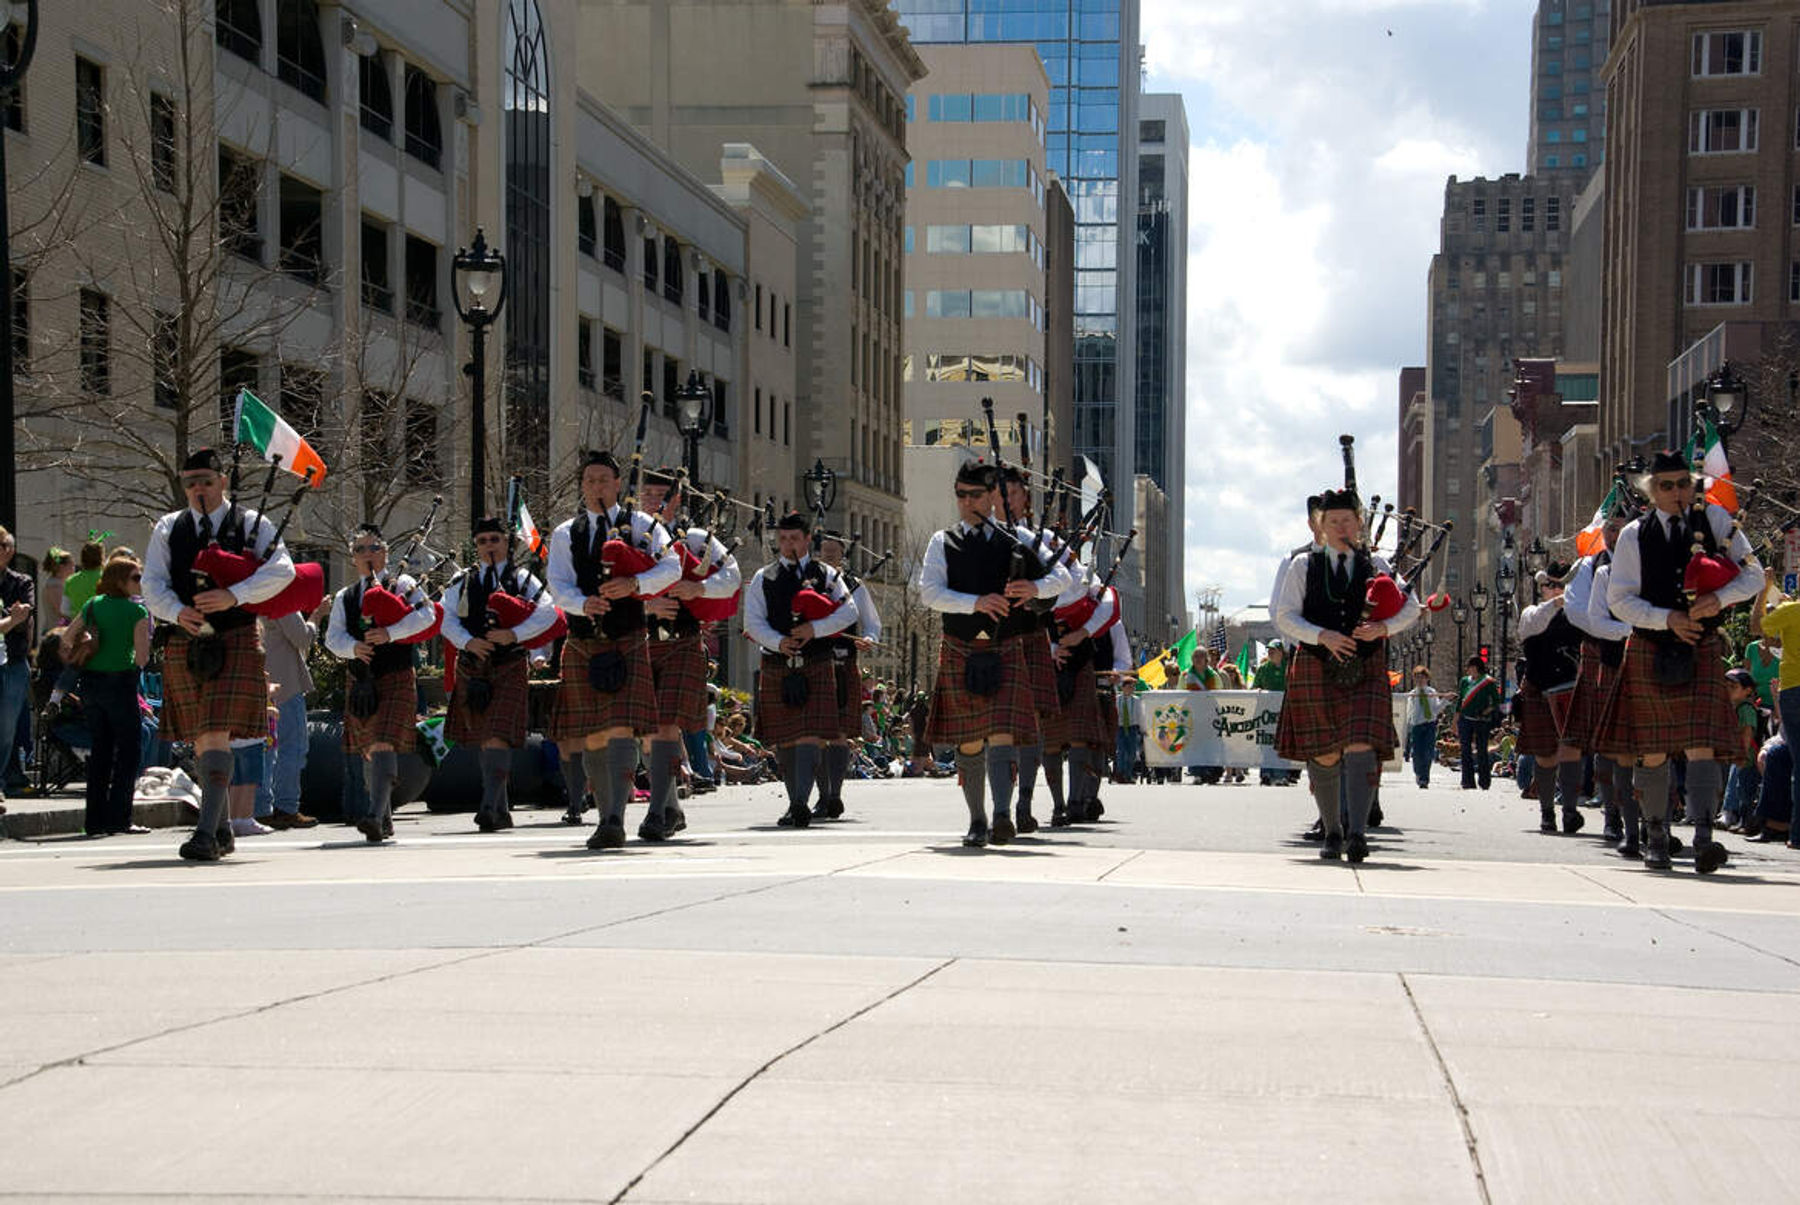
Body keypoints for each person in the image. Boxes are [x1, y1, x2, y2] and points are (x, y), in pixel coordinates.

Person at [1594, 450, 1762, 873]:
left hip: (1701, 645)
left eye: (1683, 483)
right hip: (1652, 644)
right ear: (1651, 491)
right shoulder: (1634, 534)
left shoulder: (1718, 521)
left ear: (1692, 484)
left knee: (1701, 744)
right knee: (1652, 751)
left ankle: (1704, 838)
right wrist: (1667, 619)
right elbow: (1620, 600)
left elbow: (1754, 575)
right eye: (1666, 486)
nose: (1676, 492)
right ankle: (1655, 836)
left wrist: (1717, 599)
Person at [141, 448, 296, 861]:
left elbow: (284, 569)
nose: (198, 490)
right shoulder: (168, 527)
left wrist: (234, 595)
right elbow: (152, 583)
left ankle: (206, 834)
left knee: (213, 732)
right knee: (202, 738)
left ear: (222, 481)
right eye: (190, 483)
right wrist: (178, 611)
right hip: (185, 638)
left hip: (236, 636)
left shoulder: (251, 523)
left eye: (206, 481)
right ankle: (222, 828)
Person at [919, 462, 1065, 846]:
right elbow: (929, 593)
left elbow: (1063, 577)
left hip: (1005, 648)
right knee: (968, 740)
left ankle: (1003, 815)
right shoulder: (942, 541)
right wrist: (976, 603)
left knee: (1002, 734)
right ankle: (977, 820)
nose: (967, 503)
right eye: (961, 495)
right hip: (960, 648)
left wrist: (1035, 588)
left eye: (976, 496)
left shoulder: (1014, 538)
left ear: (991, 498)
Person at [1273, 487, 1420, 862]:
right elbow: (1285, 616)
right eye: (1332, 521)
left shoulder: (1379, 567)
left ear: (1360, 524)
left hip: (1365, 665)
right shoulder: (1303, 566)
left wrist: (1382, 629)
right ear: (1320, 527)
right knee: (1323, 754)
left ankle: (1357, 832)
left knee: (1360, 746)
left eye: (1347, 520)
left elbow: (1412, 607)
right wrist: (1321, 635)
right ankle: (1332, 830)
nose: (1341, 527)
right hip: (1316, 663)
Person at [637, 467, 738, 836]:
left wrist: (699, 589)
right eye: (645, 493)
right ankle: (671, 808)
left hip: (680, 641)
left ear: (675, 499)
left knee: (664, 725)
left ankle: (655, 813)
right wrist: (645, 606)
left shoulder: (694, 538)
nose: (650, 501)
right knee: (647, 732)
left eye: (658, 495)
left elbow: (732, 577)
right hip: (638, 641)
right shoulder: (630, 534)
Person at [441, 514, 557, 834]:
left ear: (507, 543)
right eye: (482, 541)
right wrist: (468, 641)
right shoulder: (462, 582)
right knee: (485, 738)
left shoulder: (524, 580)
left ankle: (489, 806)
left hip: (508, 664)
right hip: (473, 666)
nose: (489, 546)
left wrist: (515, 635)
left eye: (495, 540)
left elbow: (548, 612)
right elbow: (446, 618)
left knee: (496, 735)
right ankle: (500, 807)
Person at [743, 511, 859, 827]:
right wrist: (777, 641)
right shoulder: (763, 577)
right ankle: (796, 802)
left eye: (794, 538)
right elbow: (751, 622)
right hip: (778, 661)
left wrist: (814, 629)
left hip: (816, 662)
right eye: (782, 539)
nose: (788, 544)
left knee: (809, 735)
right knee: (785, 739)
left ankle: (798, 804)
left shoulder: (827, 575)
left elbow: (849, 612)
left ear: (808, 539)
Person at [325, 523, 434, 843]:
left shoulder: (403, 584)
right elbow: (333, 639)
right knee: (370, 751)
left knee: (384, 743)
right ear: (352, 557)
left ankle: (374, 815)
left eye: (373, 548)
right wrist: (353, 648)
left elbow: (426, 616)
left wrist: (391, 633)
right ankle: (383, 817)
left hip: (397, 674)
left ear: (385, 553)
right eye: (360, 549)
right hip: (362, 681)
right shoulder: (346, 597)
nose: (367, 554)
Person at [59, 554, 151, 836]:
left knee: (101, 749)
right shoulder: (138, 612)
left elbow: (66, 637)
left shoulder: (92, 605)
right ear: (121, 581)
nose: (140, 582)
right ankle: (119, 818)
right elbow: (143, 657)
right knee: (129, 751)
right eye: (136, 577)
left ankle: (94, 820)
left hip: (91, 683)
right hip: (121, 681)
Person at [1515, 565, 1586, 834]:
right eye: (1552, 585)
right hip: (1540, 689)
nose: (1557, 590)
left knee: (1571, 752)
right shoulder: (1532, 613)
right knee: (1545, 756)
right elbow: (1534, 625)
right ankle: (1547, 813)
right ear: (1542, 588)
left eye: (1562, 585)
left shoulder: (1577, 614)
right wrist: (1559, 600)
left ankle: (1569, 812)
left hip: (1571, 688)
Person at [815, 529, 880, 821]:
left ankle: (835, 795)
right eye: (825, 551)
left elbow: (871, 623)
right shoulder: (808, 581)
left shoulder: (854, 586)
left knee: (839, 734)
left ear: (842, 554)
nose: (829, 555)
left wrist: (869, 638)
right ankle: (820, 795)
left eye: (834, 551)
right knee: (815, 734)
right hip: (812, 663)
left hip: (843, 664)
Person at [258, 605, 319, 831]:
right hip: (285, 683)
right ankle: (286, 807)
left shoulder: (247, 592)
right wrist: (316, 617)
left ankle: (261, 807)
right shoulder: (280, 597)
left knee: (264, 748)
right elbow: (302, 637)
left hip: (261, 680)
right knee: (291, 747)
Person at [1753, 567, 1800, 844]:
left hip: (1795, 688)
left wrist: (1764, 589)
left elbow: (1757, 627)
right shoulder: (1791, 610)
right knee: (1783, 758)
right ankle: (1779, 825)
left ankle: (1796, 832)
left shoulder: (1793, 611)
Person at [0, 526, 35, 805]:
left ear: (9, 550)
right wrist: (10, 620)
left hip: (13, 660)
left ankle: (4, 779)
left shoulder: (21, 581)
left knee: (7, 725)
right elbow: (15, 617)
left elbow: (25, 613)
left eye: (2, 545)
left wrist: (14, 620)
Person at [1456, 655, 1500, 791]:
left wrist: (1486, 711)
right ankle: (1467, 781)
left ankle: (1484, 781)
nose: (1467, 670)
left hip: (1482, 720)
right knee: (1465, 750)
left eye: (1469, 667)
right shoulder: (1464, 682)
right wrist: (1455, 720)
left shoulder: (1488, 682)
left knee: (1482, 751)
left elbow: (1496, 701)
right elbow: (1460, 702)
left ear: (1475, 667)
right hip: (1465, 719)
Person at [1403, 665, 1444, 789]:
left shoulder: (1432, 692)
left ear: (1427, 679)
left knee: (1428, 753)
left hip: (1430, 725)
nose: (1420, 680)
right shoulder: (1412, 695)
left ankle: (1424, 779)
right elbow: (1407, 712)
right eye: (1417, 678)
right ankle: (1418, 773)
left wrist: (1446, 701)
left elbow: (1436, 709)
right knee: (1416, 753)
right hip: (1416, 726)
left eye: (1422, 678)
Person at [62, 537, 106, 617]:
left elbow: (64, 610)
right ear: (101, 558)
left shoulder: (70, 581)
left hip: (78, 627)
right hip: (102, 625)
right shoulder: (107, 579)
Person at [41, 547, 75, 624]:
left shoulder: (60, 583)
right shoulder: (55, 585)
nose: (74, 568)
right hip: (56, 631)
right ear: (62, 567)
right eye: (71, 565)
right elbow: (62, 612)